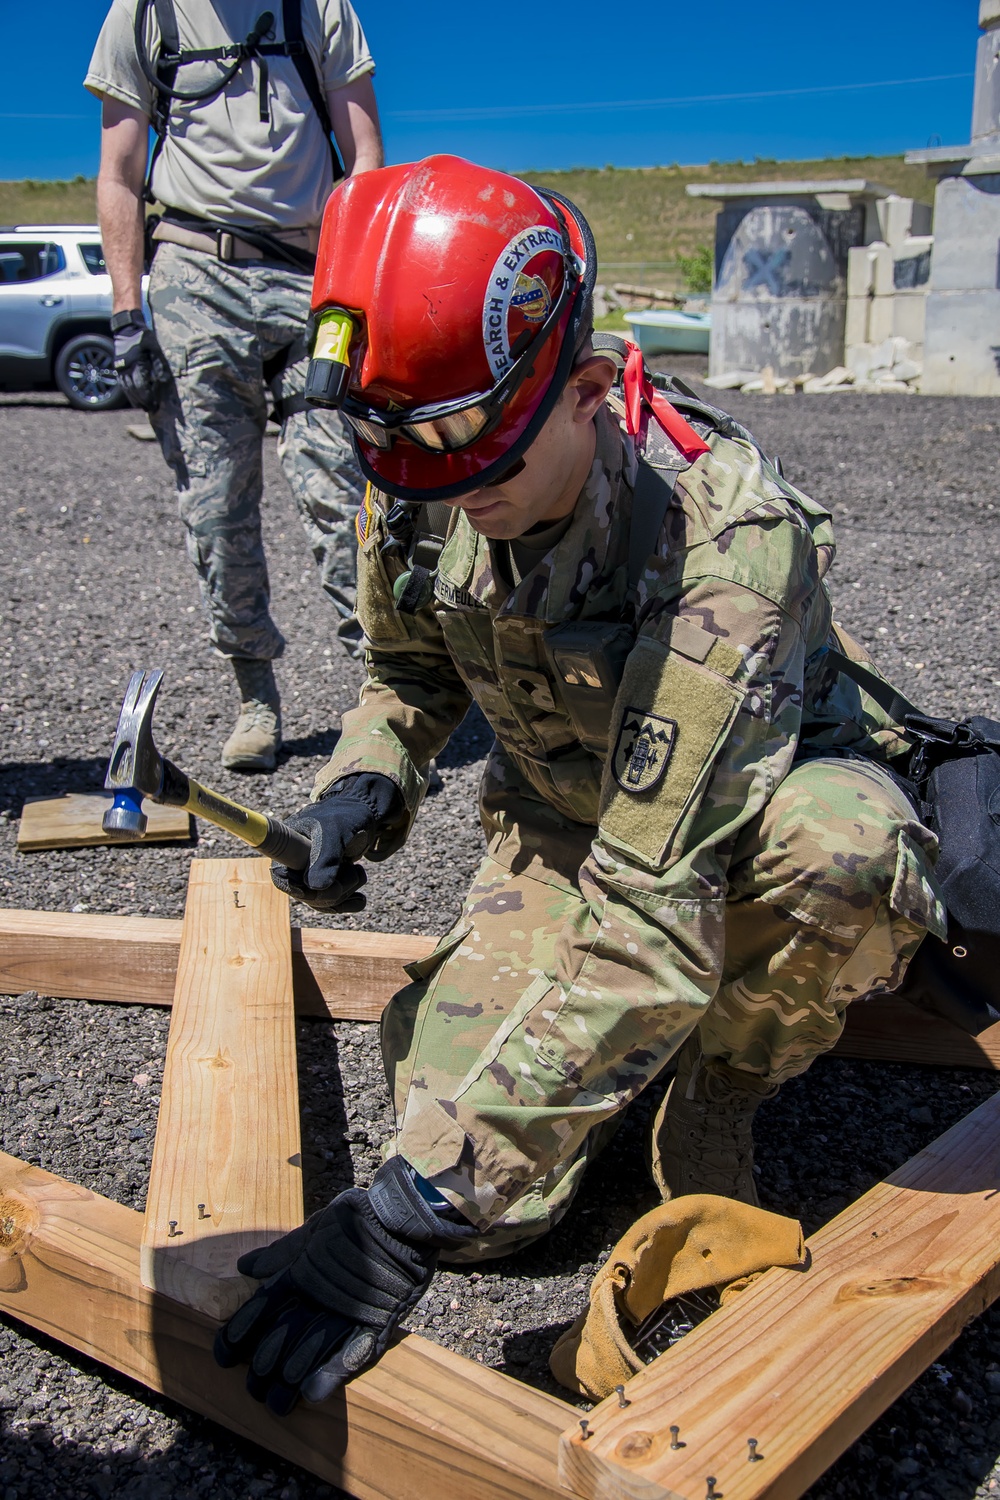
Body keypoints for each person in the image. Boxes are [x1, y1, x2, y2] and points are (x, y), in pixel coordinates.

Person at [213, 155, 945, 1412]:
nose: (443, 488)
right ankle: (590, 1092)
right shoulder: (424, 465)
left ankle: (719, 1086)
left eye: (458, 450)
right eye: (392, 446)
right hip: (565, 826)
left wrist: (401, 1215)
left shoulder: (724, 547)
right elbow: (403, 671)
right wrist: (366, 783)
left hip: (744, 828)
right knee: (501, 1219)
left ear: (590, 394)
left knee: (848, 854)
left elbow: (653, 912)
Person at [85, 0, 383, 771]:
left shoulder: (320, 8)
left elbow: (367, 161)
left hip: (311, 280)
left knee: (342, 491)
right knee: (216, 507)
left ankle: (386, 692)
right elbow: (118, 175)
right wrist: (127, 314)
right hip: (194, 275)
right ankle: (256, 696)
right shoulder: (145, 14)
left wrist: (357, 294)